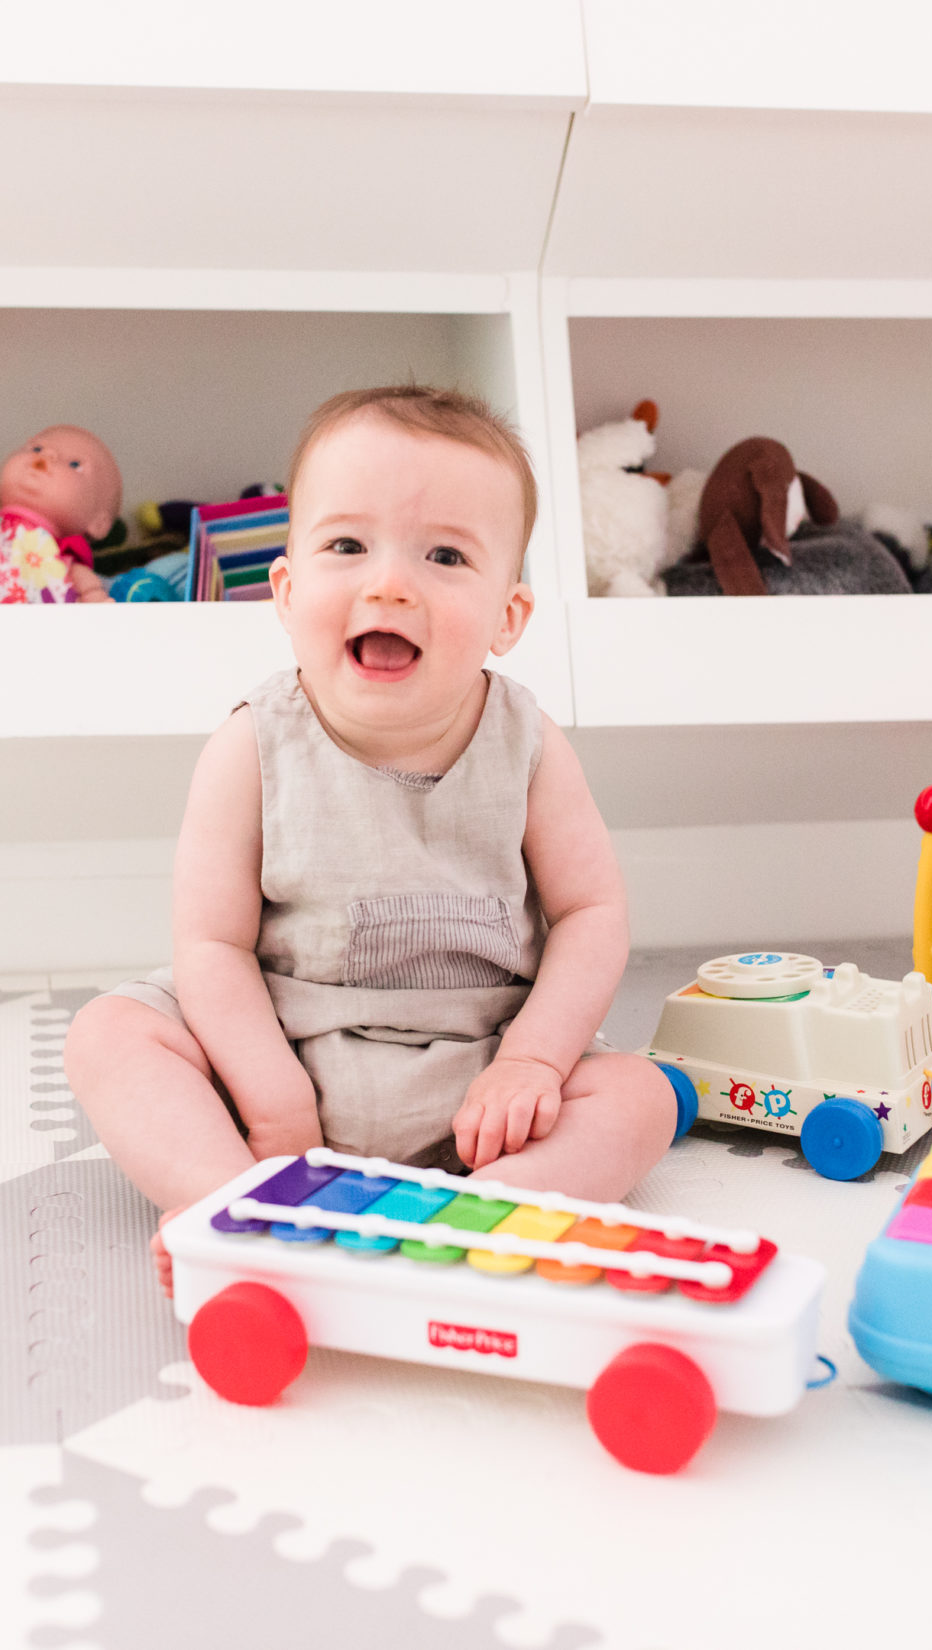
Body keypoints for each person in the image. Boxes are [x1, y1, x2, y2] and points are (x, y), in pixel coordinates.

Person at [64, 386, 681, 1293]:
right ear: (285, 589)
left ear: (509, 617)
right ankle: (235, 1201)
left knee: (642, 1098)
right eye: (347, 546)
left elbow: (592, 912)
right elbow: (211, 945)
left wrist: (533, 1064)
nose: (388, 583)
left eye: (444, 555)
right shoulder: (252, 745)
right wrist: (270, 1097)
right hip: (276, 1055)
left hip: (477, 1079)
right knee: (110, 1034)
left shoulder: (531, 746)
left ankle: (490, 1219)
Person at [0, 425, 119, 603]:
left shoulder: (68, 564)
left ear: (98, 523)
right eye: (37, 448)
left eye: (74, 464)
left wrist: (96, 601)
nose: (46, 456)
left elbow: (92, 594)